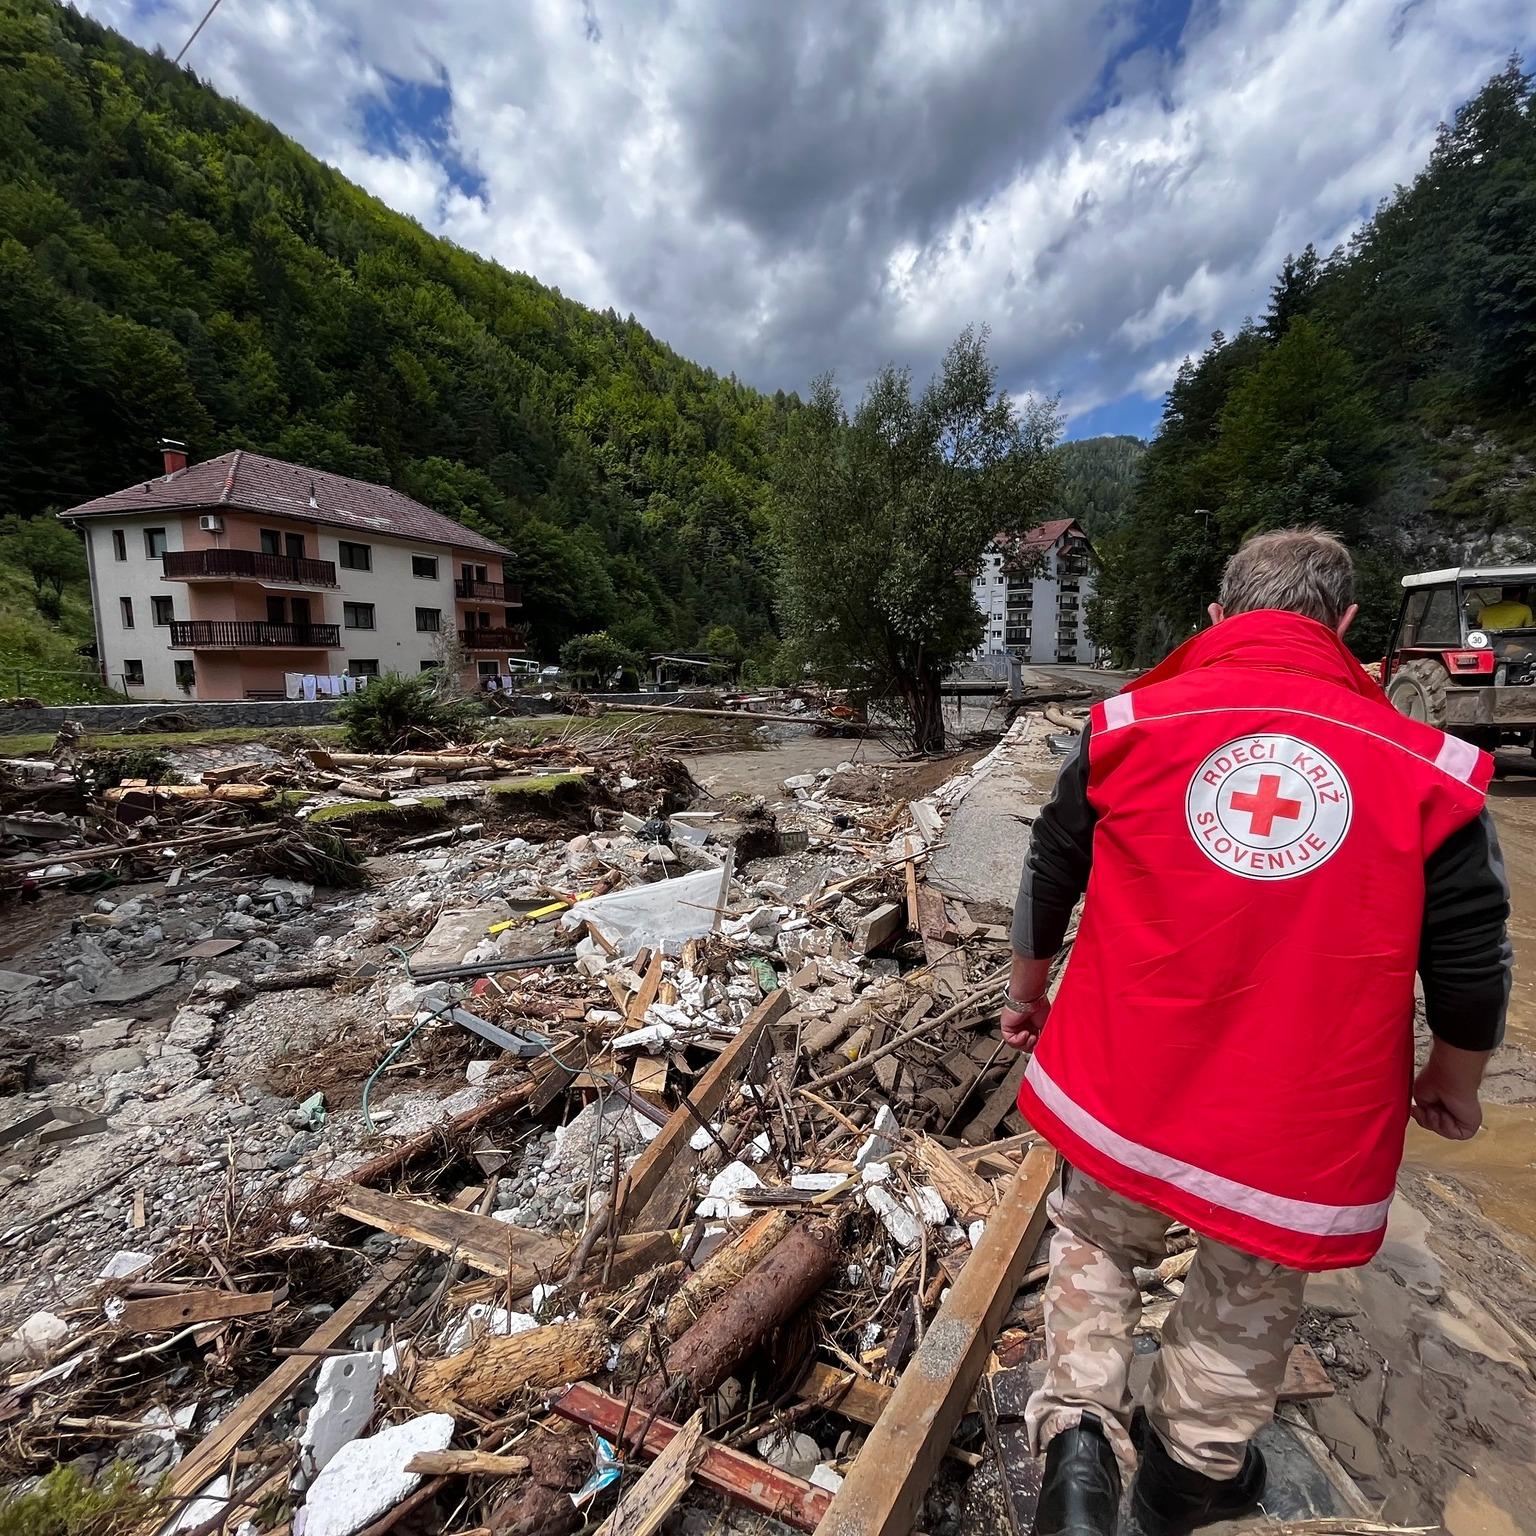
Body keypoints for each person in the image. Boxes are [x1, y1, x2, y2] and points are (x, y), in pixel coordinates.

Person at [1001, 528, 1509, 1536]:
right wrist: (1455, 1078)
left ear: (1219, 618)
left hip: (1123, 1074)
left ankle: (1077, 1460)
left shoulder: (1127, 724)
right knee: (1251, 1274)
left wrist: (1028, 994)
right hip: (1294, 1107)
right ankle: (1188, 1478)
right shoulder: (1434, 771)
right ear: (1348, 627)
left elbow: (1048, 871)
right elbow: (1471, 953)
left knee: (1096, 1241)